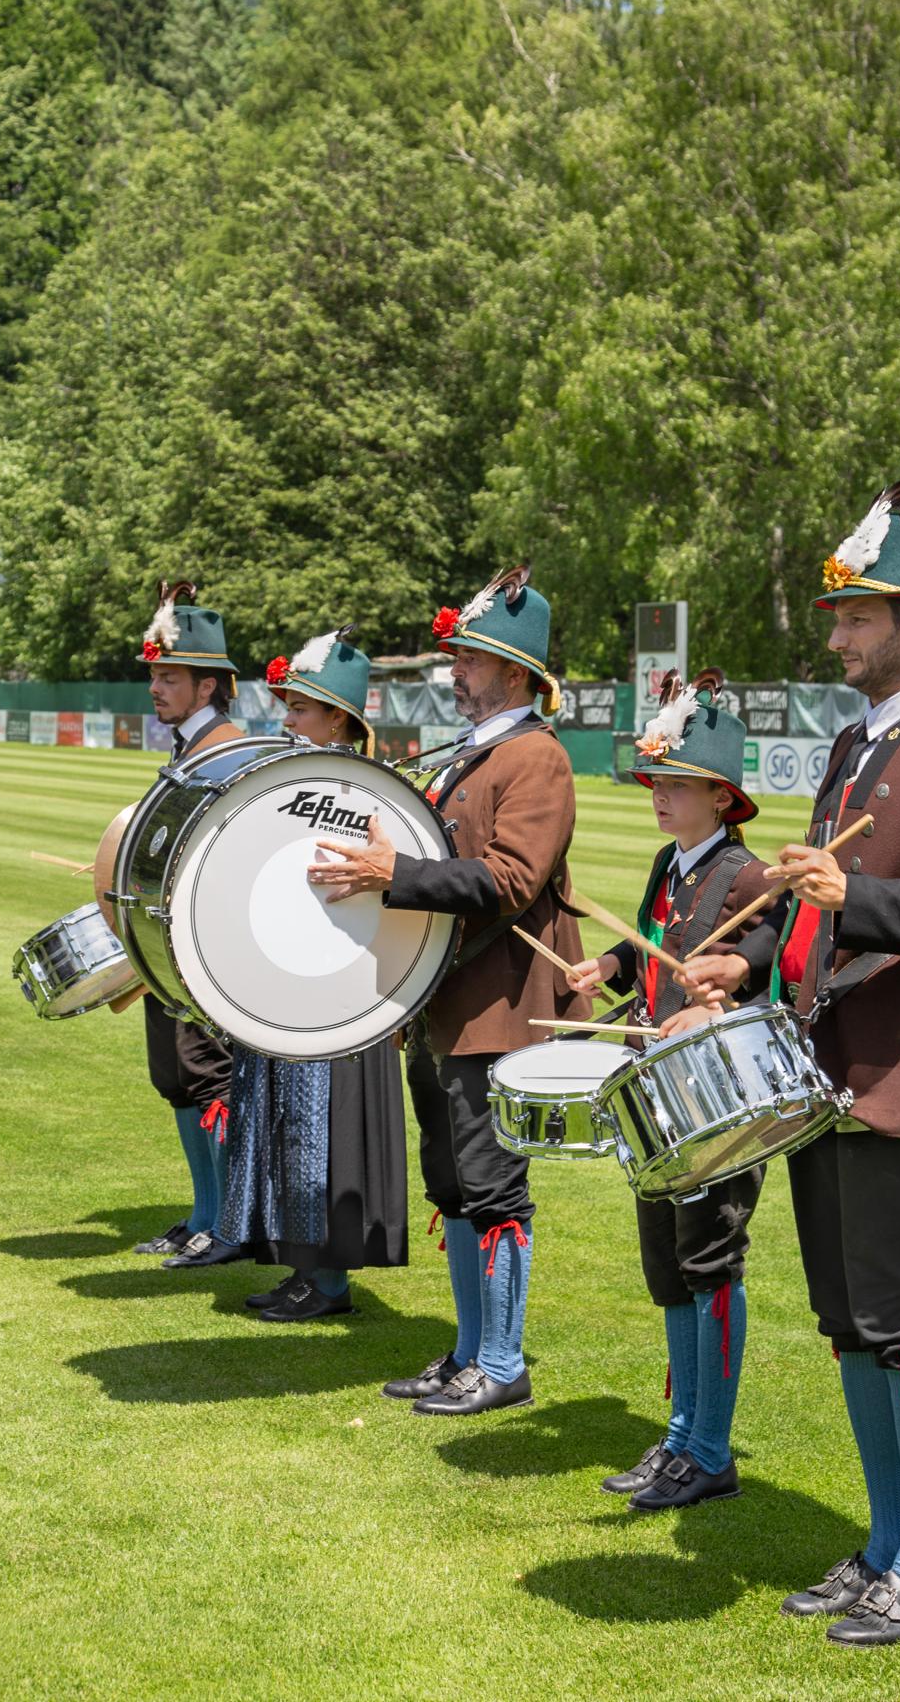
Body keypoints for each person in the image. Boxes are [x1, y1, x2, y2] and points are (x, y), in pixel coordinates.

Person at [685, 481, 900, 1646]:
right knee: (851, 1324)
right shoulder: (852, 742)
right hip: (821, 1078)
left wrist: (853, 894)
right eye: (837, 620)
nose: (837, 639)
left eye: (857, 618)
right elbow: (821, 916)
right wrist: (752, 961)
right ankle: (882, 1547)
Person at [307, 564, 589, 1415]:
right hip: (446, 1002)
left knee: (493, 1187)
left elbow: (512, 878)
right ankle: (470, 1349)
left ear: (515, 671)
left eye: (469, 658)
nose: (455, 670)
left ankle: (501, 1363)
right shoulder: (481, 750)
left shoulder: (536, 756)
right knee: (454, 1184)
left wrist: (395, 873)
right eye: (457, 656)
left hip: (500, 1008)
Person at [567, 670, 776, 1512]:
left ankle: (710, 1450)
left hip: (718, 1099)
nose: (658, 794)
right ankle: (683, 1435)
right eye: (655, 780)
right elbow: (649, 944)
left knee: (710, 1260)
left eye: (677, 783)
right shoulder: (670, 863)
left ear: (721, 797)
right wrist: (608, 965)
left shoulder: (749, 875)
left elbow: (768, 959)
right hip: (655, 1089)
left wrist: (724, 991)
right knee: (669, 1265)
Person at [215, 628, 409, 1321]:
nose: (289, 720)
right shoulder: (292, 781)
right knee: (286, 1126)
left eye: (300, 709)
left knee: (326, 1137)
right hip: (287, 977)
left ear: (338, 718)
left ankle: (327, 1283)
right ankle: (303, 1269)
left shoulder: (368, 793)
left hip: (342, 987)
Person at [129, 581, 246, 1270]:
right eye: (155, 676)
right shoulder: (189, 746)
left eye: (169, 677)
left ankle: (226, 1223)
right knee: (177, 1076)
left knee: (206, 1077)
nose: (155, 688)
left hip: (202, 947)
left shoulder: (225, 749)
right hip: (165, 942)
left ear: (207, 687)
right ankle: (204, 1213)